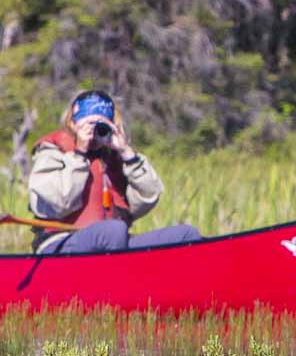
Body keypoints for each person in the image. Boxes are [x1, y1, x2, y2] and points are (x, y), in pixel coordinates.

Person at [26, 89, 201, 254]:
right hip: (60, 246)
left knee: (186, 235)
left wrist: (127, 154)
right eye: (88, 124)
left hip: (113, 243)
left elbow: (148, 198)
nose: (93, 132)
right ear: (72, 123)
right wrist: (79, 154)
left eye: (100, 126)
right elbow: (58, 202)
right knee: (113, 231)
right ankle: (116, 282)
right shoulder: (52, 151)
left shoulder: (113, 158)